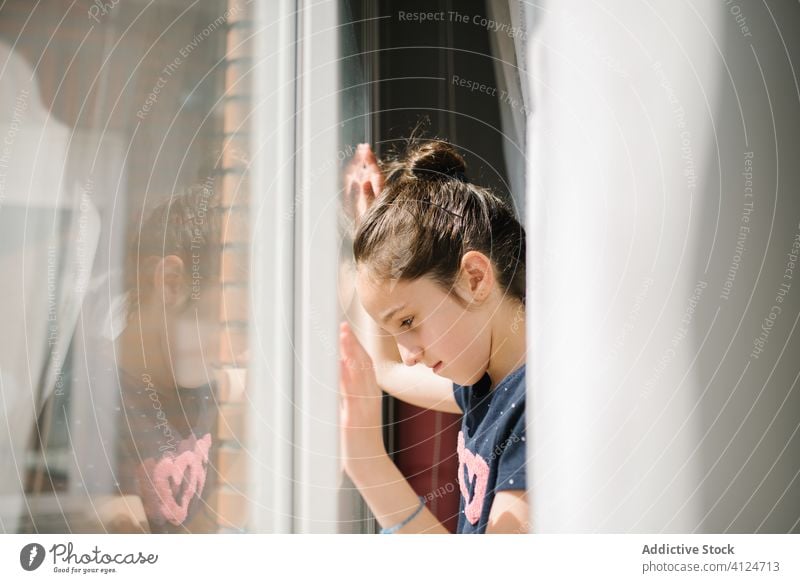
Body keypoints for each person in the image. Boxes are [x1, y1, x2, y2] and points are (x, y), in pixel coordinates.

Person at [340, 139, 529, 534]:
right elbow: (389, 369)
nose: (408, 355)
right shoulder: (487, 383)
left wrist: (368, 463)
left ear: (474, 278)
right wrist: (371, 241)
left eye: (407, 322)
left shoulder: (538, 408)